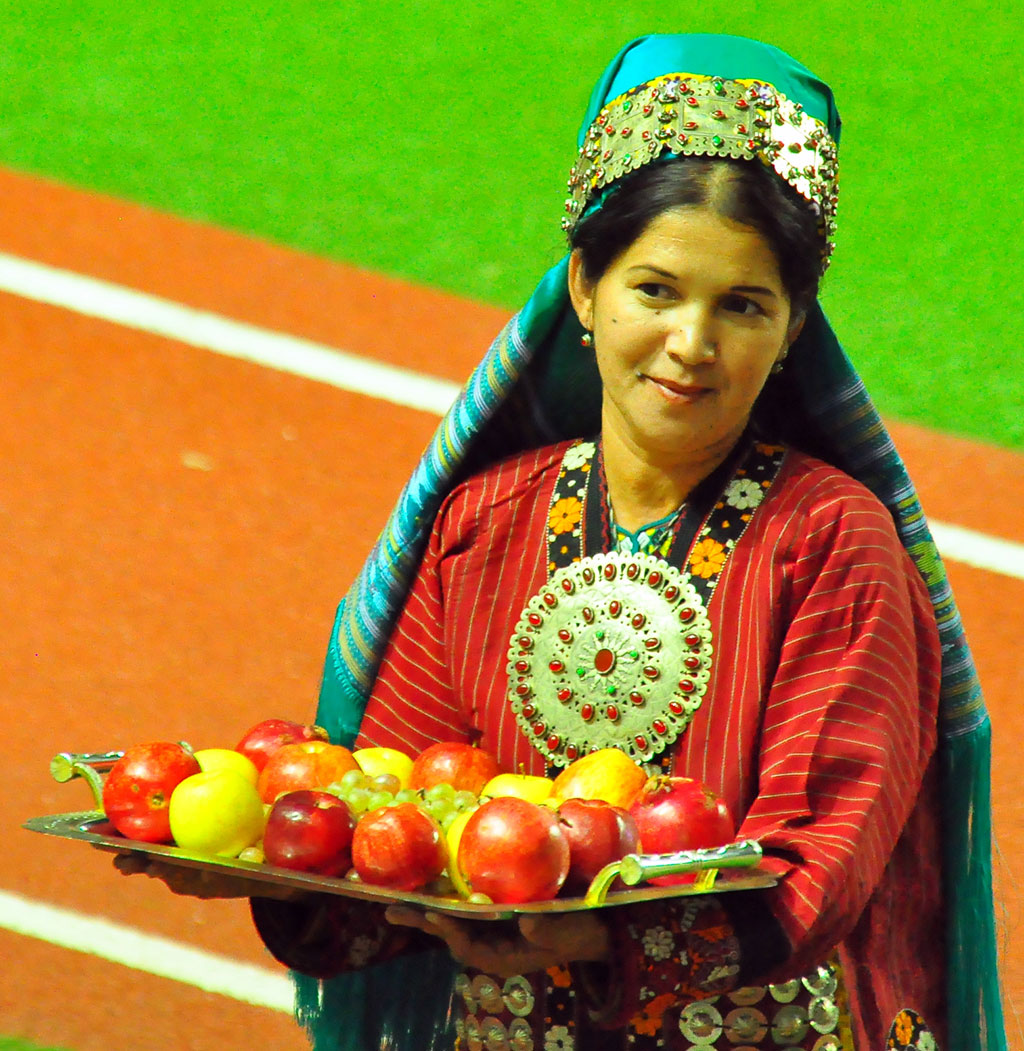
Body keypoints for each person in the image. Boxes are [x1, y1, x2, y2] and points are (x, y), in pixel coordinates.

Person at [118, 32, 1006, 1051]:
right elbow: (394, 812)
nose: (691, 344)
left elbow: (822, 865)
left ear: (794, 327)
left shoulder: (833, 546)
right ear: (584, 287)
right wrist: (260, 858)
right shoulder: (480, 528)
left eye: (743, 306)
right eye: (655, 289)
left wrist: (597, 946)